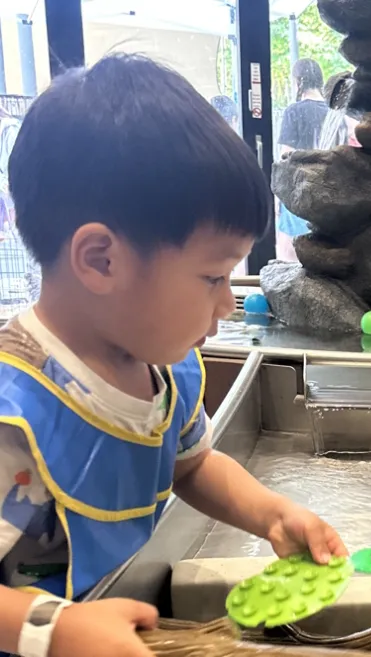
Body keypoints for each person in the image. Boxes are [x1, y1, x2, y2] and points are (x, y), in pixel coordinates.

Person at [0, 54, 347, 657]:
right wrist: (56, 631)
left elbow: (191, 465)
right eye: (213, 277)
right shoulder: (15, 418)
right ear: (101, 260)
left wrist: (271, 514)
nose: (227, 304)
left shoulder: (166, 369)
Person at [276, 58, 328, 261]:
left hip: (299, 188)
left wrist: (279, 198)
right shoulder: (332, 113)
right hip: (327, 188)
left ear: (298, 82)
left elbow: (286, 156)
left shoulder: (293, 111)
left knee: (287, 252)